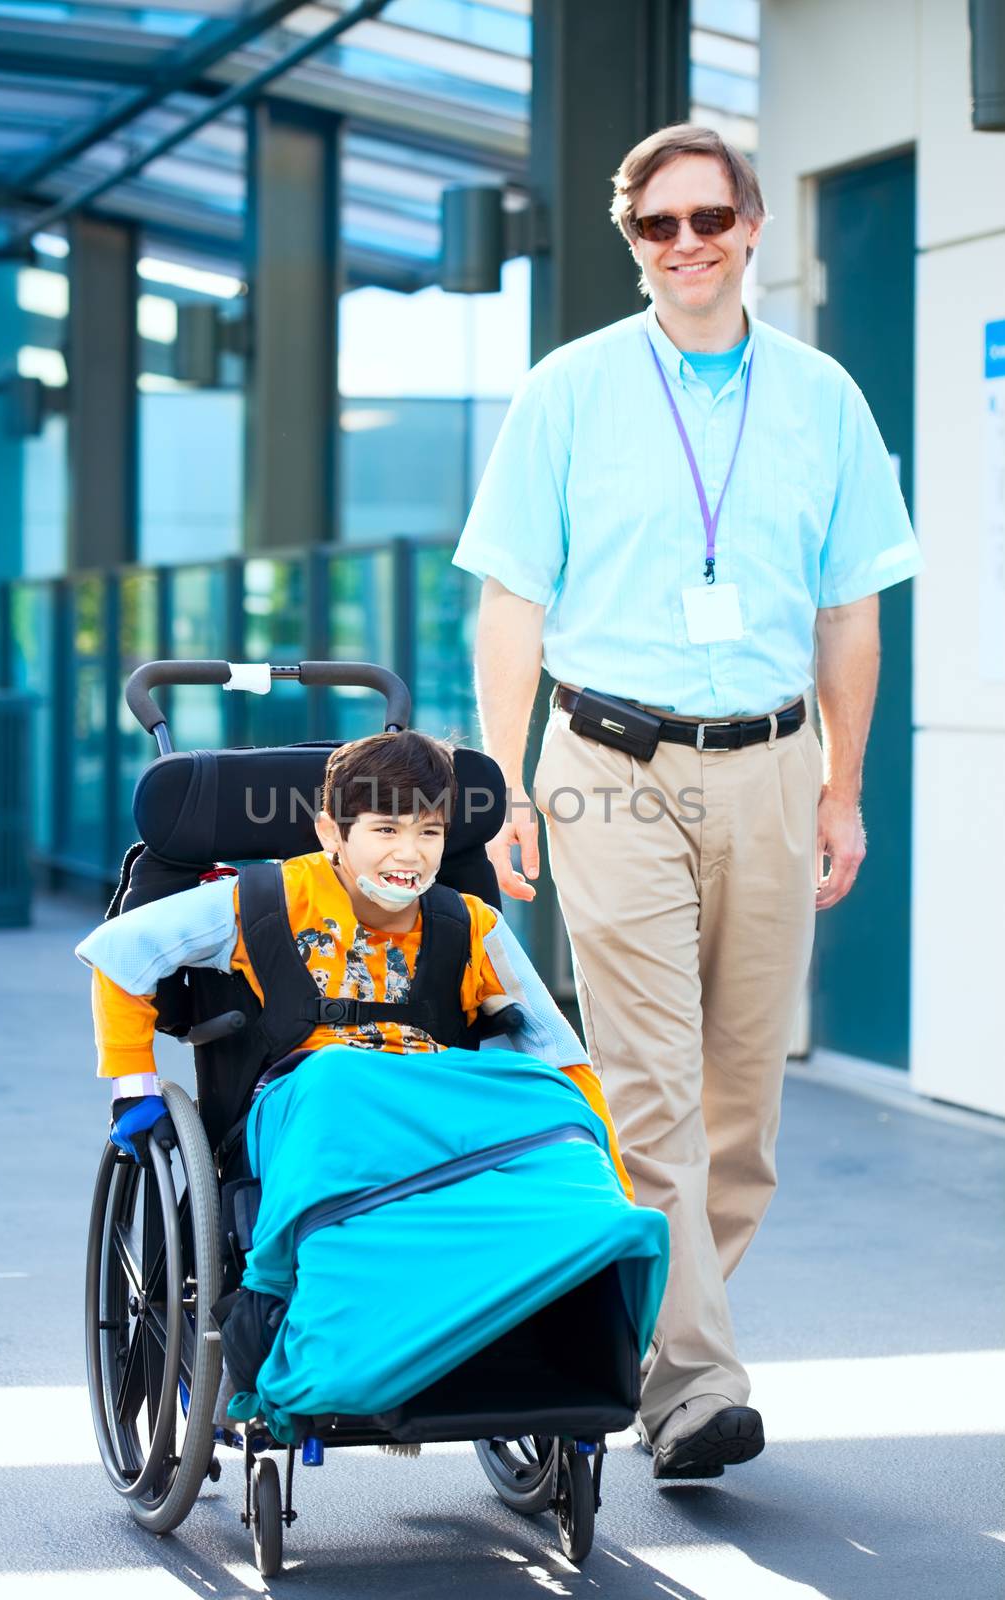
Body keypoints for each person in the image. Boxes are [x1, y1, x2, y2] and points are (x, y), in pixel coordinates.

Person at [452, 122, 923, 1480]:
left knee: (740, 1109)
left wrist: (844, 785)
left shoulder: (824, 397)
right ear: (632, 242)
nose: (684, 246)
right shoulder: (569, 391)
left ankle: (650, 1339)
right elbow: (512, 602)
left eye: (707, 220)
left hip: (773, 761)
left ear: (753, 229)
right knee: (651, 1083)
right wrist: (502, 784)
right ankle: (697, 1383)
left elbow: (848, 613)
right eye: (656, 227)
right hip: (605, 763)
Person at [76, 729, 655, 1430]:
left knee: (548, 1098)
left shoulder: (470, 923)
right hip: (311, 1096)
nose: (409, 854)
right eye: (385, 829)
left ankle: (589, 1255)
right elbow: (120, 954)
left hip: (428, 1109)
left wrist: (612, 1175)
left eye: (430, 832)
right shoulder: (265, 898)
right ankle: (314, 1339)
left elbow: (561, 1057)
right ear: (332, 833)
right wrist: (133, 1083)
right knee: (341, 1077)